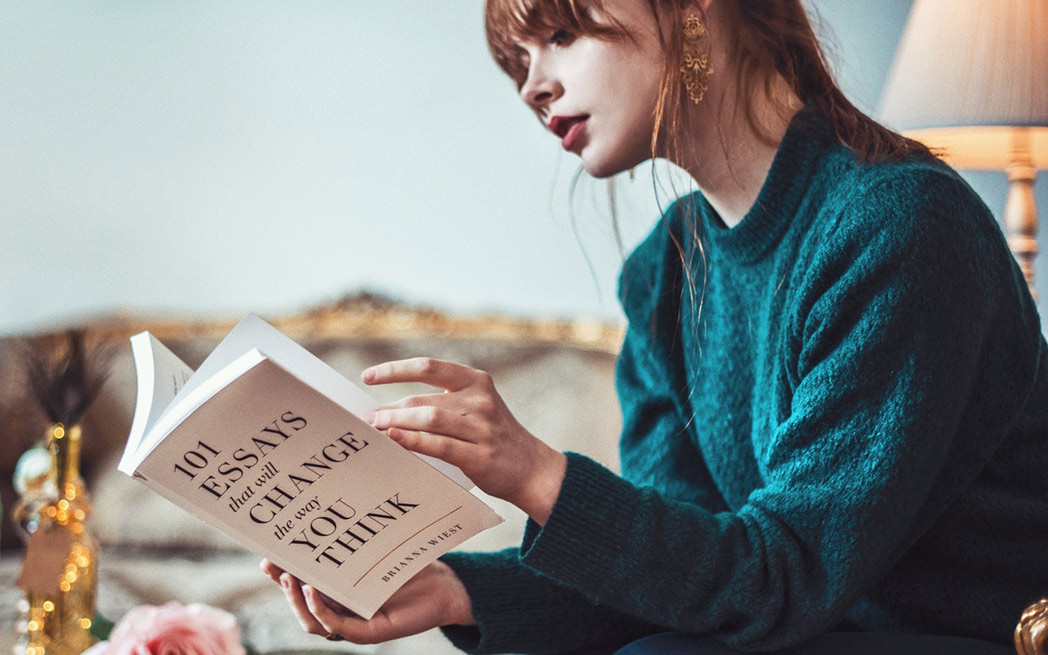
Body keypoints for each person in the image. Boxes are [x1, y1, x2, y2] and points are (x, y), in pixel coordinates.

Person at [262, 0, 1048, 653]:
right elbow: (683, 575)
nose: (532, 85)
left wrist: (534, 470)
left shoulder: (898, 225)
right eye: (517, 61)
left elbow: (786, 575)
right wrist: (456, 588)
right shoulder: (664, 273)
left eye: (560, 33)